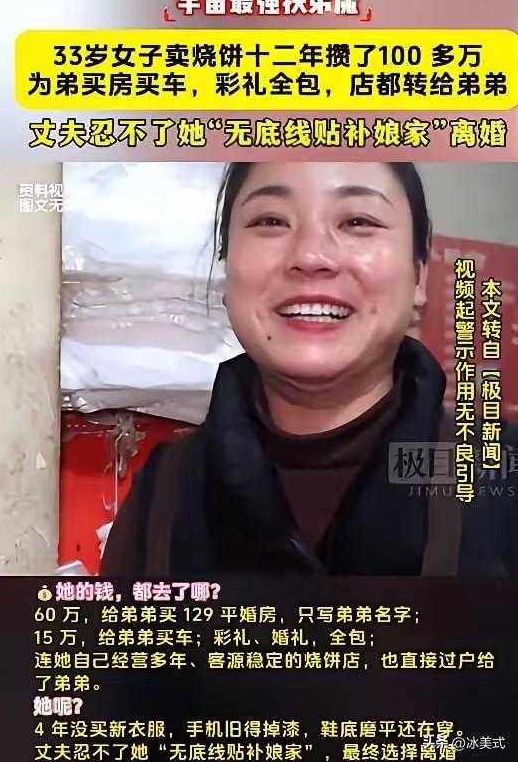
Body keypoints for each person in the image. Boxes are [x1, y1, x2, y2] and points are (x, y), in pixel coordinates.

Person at [101, 162, 518, 577]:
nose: (310, 256)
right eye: (271, 221)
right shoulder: (164, 495)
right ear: (227, 270)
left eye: (357, 222)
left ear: (419, 276)